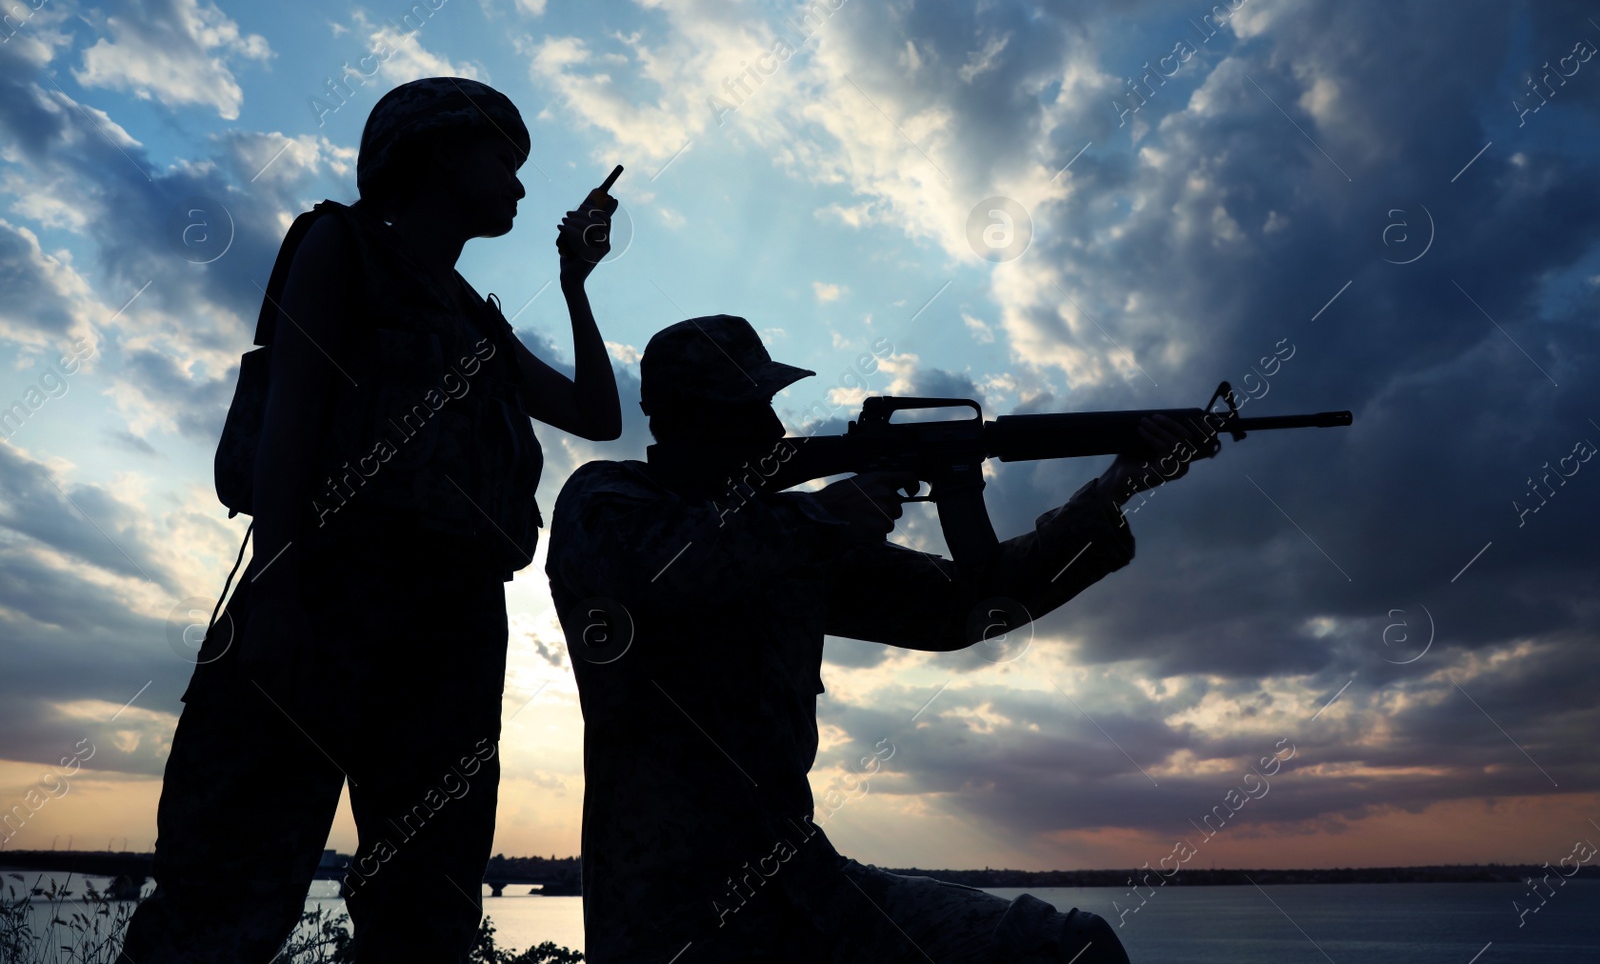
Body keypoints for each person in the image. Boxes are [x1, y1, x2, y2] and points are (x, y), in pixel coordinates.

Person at [117, 78, 622, 964]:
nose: (519, 184)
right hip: (326, 591)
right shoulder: (338, 244)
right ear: (435, 151)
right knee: (223, 890)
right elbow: (291, 419)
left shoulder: (477, 320)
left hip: (455, 624)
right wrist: (274, 592)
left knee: (428, 906)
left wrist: (574, 284)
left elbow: (594, 412)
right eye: (503, 158)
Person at [545, 315, 1217, 963]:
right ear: (687, 419)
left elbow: (966, 605)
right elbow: (655, 569)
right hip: (672, 911)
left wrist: (1114, 487)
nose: (774, 427)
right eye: (750, 408)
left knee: (1069, 946)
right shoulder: (605, 499)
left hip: (802, 882)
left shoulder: (790, 533)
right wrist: (819, 517)